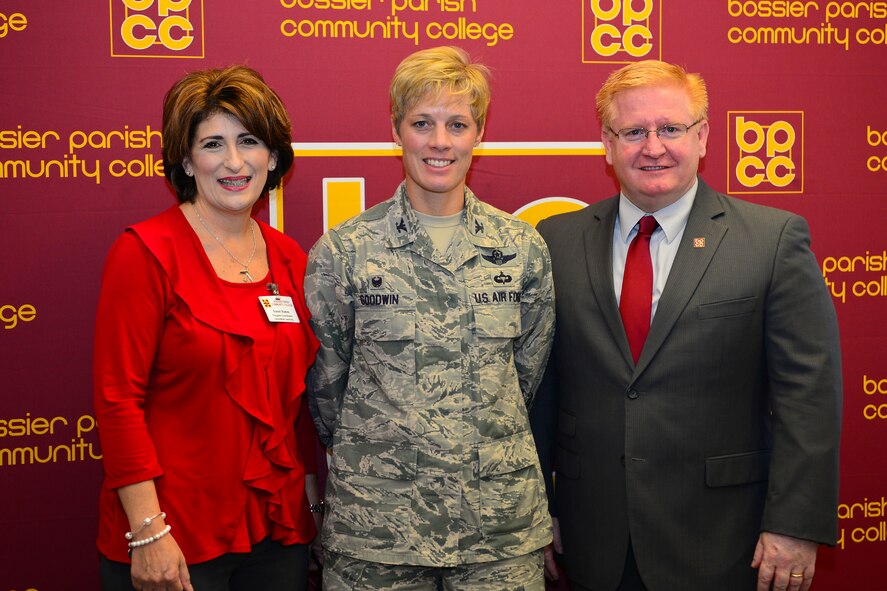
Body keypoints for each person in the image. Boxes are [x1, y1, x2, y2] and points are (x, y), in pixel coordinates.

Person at [532, 60, 842, 591]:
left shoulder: (771, 242)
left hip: (725, 542)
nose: (653, 147)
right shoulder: (555, 241)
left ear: (702, 136)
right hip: (592, 539)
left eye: (670, 128)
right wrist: (539, 509)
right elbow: (539, 392)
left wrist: (793, 524)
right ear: (607, 144)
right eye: (633, 132)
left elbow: (808, 396)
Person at [304, 46, 555, 590]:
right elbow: (327, 386)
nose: (440, 142)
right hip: (379, 531)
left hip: (498, 534)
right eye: (422, 123)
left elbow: (527, 375)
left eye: (457, 124)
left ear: (478, 134)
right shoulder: (344, 252)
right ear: (396, 131)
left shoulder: (521, 248)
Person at [93, 65, 321, 591]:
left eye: (250, 141)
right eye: (213, 143)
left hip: (277, 535)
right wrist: (149, 532)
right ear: (187, 161)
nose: (235, 162)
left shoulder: (289, 258)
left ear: (273, 156)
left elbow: (296, 404)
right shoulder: (145, 253)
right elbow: (116, 401)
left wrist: (313, 508)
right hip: (173, 537)